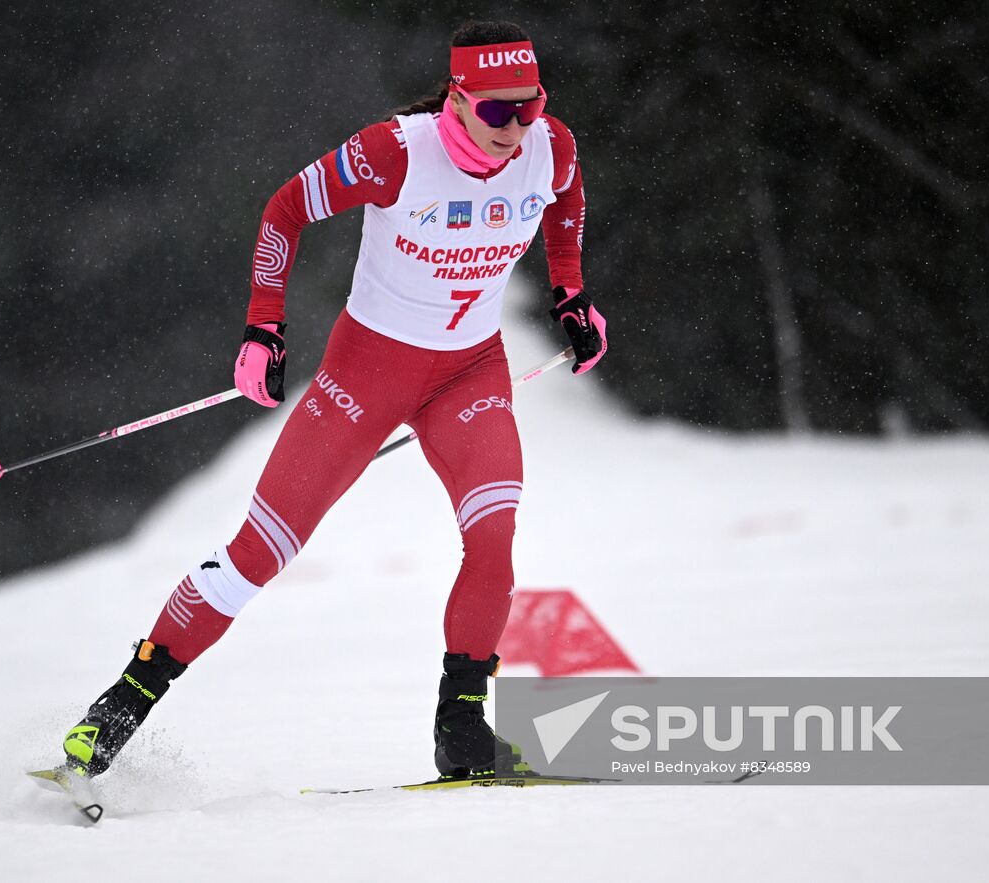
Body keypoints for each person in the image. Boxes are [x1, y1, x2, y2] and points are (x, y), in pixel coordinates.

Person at [58, 20, 608, 782]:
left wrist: (572, 294)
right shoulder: (395, 152)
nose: (516, 129)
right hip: (366, 374)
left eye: (529, 107)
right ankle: (115, 712)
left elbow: (567, 200)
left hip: (470, 372)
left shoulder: (550, 147)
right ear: (458, 99)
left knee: (494, 537)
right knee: (259, 553)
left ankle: (462, 728)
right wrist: (263, 328)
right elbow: (283, 212)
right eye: (495, 112)